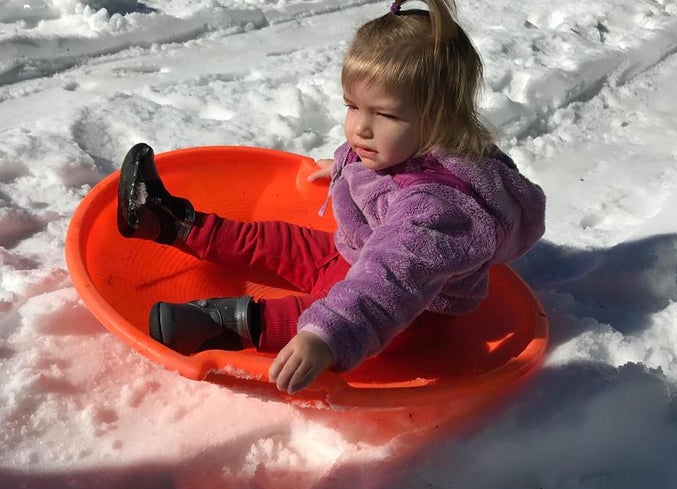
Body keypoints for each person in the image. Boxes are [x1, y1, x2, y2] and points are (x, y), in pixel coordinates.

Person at [116, 0, 546, 394]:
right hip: (354, 254)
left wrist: (325, 337)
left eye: (384, 114)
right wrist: (346, 165)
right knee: (278, 240)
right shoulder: (405, 145)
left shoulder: (435, 212)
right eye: (352, 106)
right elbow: (387, 164)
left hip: (408, 310)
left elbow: (385, 281)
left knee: (318, 315)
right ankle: (169, 221)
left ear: (440, 119)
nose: (360, 127)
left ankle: (221, 324)